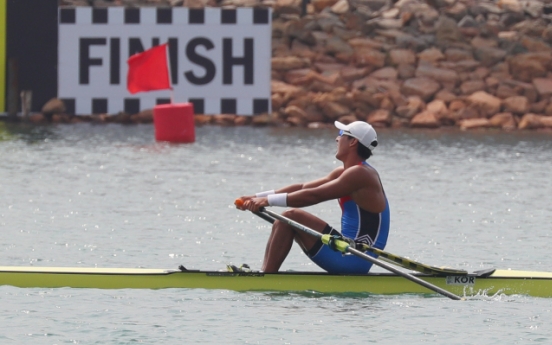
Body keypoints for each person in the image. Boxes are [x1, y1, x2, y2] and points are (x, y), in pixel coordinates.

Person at [236, 121, 390, 274]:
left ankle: (266, 277)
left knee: (291, 216)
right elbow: (303, 187)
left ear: (353, 142)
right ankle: (266, 273)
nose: (337, 139)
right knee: (284, 221)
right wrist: (256, 196)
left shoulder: (361, 174)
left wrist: (267, 202)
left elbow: (315, 195)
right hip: (346, 247)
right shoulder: (345, 172)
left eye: (342, 134)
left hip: (355, 257)